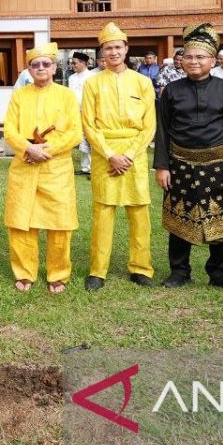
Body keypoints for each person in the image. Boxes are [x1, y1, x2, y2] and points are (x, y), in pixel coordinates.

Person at [155, 23, 223, 291]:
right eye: (188, 56)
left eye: (200, 57)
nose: (193, 61)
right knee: (179, 218)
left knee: (221, 220)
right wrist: (162, 166)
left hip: (219, 164)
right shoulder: (171, 91)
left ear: (213, 60)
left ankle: (219, 274)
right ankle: (179, 271)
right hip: (180, 163)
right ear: (181, 60)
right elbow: (162, 130)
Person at [80, 22, 157, 291]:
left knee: (139, 212)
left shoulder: (143, 82)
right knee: (103, 212)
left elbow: (149, 125)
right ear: (102, 52)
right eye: (108, 48)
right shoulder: (92, 83)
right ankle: (97, 271)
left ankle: (141, 268)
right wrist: (111, 154)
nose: (113, 52)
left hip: (135, 153)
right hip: (105, 153)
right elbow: (89, 124)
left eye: (117, 47)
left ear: (126, 49)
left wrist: (130, 155)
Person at [2, 42, 83, 294]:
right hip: (25, 165)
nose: (40, 68)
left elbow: (75, 133)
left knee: (59, 223)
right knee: (21, 221)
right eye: (35, 64)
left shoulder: (66, 95)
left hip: (55, 168)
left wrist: (46, 150)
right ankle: (24, 272)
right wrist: (29, 148)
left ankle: (58, 274)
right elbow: (9, 130)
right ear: (28, 69)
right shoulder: (19, 96)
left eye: (45, 64)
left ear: (54, 67)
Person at [67, 52, 94, 175]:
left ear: (84, 63)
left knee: (90, 139)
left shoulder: (92, 77)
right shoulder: (71, 78)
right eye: (71, 63)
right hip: (75, 112)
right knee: (81, 139)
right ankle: (85, 168)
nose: (72, 65)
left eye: (75, 63)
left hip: (89, 112)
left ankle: (94, 168)